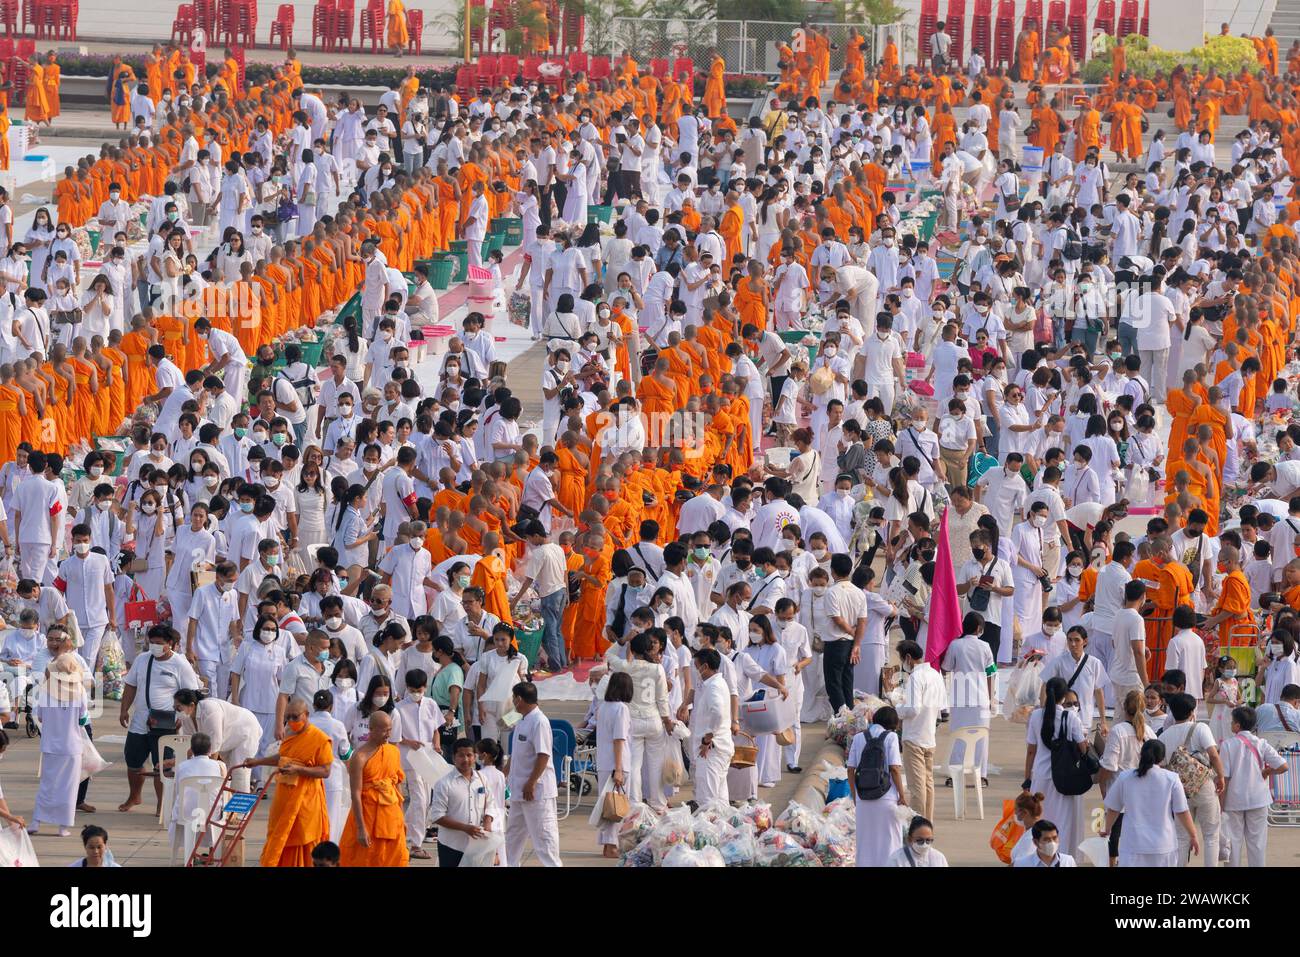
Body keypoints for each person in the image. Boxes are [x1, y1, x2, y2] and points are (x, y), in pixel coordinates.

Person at [242, 696, 334, 867]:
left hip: (306, 800)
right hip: (283, 796)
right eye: (288, 717)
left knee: (301, 838)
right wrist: (258, 761)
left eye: (295, 717)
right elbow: (282, 757)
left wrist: (299, 770)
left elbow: (325, 771)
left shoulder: (319, 739)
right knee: (279, 836)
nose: (291, 721)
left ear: (306, 714)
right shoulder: (289, 734)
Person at [1102, 739, 1200, 866]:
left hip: (1133, 844)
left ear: (1140, 754)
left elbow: (1114, 808)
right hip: (1163, 845)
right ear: (1162, 758)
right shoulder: (1171, 778)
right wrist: (1193, 835)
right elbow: (1181, 811)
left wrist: (1107, 829)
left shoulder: (1125, 777)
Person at [1218, 705, 1289, 866]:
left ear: (1237, 725)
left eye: (1232, 721)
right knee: (1257, 842)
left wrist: (1221, 803)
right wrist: (1267, 772)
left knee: (1233, 842)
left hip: (1234, 800)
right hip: (1258, 798)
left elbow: (1225, 778)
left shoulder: (1228, 745)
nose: (1231, 724)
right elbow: (1283, 766)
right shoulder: (1261, 743)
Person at [28, 653, 88, 837]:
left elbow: (39, 717)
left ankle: (36, 821)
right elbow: (83, 720)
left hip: (50, 745)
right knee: (68, 788)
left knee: (47, 785)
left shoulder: (46, 691)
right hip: (71, 746)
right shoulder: (80, 692)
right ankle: (63, 827)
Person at [339, 709, 409, 866]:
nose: (388, 734)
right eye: (384, 730)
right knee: (365, 858)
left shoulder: (393, 751)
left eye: (390, 729)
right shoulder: (360, 756)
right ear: (371, 729)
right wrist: (360, 828)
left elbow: (397, 786)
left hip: (392, 816)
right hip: (368, 816)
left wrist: (401, 817)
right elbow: (355, 794)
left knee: (395, 857)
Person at [504, 681, 562, 867]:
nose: (513, 702)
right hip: (518, 790)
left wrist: (531, 782)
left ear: (519, 699)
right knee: (513, 835)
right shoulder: (522, 720)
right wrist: (503, 774)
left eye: (514, 698)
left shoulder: (539, 721)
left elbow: (543, 755)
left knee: (544, 837)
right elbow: (517, 753)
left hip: (536, 792)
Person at [847, 704, 906, 867]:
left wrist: (855, 795)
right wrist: (902, 795)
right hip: (887, 797)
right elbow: (894, 768)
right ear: (893, 723)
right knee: (890, 841)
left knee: (865, 842)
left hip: (863, 798)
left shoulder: (859, 737)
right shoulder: (891, 737)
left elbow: (850, 769)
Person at [894, 638, 946, 821]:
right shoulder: (935, 674)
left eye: (902, 659)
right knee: (928, 785)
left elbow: (913, 709)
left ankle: (917, 827)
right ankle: (927, 823)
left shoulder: (916, 677)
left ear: (908, 658)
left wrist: (897, 709)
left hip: (914, 738)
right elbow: (942, 707)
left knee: (917, 788)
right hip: (929, 736)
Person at [429, 737, 500, 868]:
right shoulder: (444, 784)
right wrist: (465, 828)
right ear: (454, 757)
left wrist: (487, 821)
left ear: (475, 757)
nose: (466, 759)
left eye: (469, 755)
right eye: (461, 755)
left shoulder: (482, 779)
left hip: (476, 845)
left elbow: (490, 803)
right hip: (451, 845)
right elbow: (437, 816)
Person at [593, 671, 632, 857]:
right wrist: (619, 768)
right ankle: (612, 845)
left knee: (607, 806)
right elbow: (619, 739)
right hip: (617, 762)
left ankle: (607, 844)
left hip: (604, 762)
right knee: (616, 807)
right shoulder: (621, 709)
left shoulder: (603, 707)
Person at [689, 647, 734, 808]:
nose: (696, 671)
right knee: (719, 799)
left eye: (696, 666)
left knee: (707, 800)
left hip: (712, 750)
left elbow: (718, 713)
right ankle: (723, 830)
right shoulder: (717, 683)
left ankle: (710, 830)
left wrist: (707, 738)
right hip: (719, 748)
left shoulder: (714, 686)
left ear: (705, 667)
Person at [1012, 820, 1077, 867]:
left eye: (1054, 838)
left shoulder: (1068, 861)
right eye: (1046, 839)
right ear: (1036, 842)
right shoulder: (1021, 864)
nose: (1052, 842)